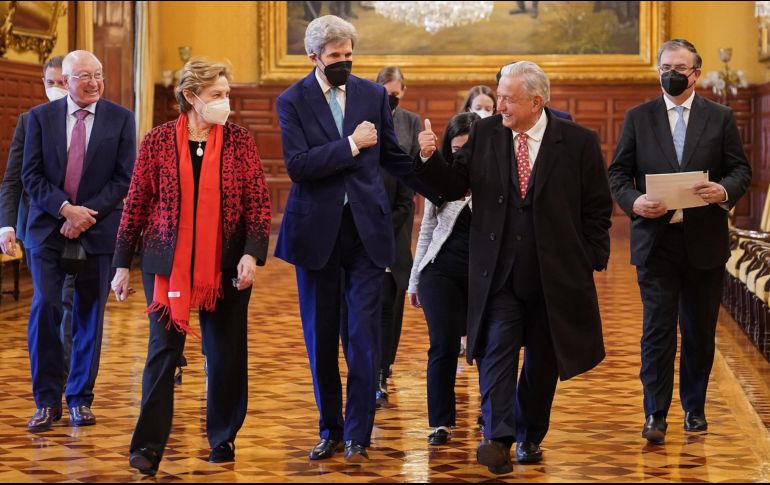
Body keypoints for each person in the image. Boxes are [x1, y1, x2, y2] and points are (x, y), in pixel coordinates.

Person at [416, 60, 612, 474]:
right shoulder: (486, 134)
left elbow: (596, 208)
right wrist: (430, 158)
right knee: (496, 353)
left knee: (543, 363)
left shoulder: (578, 142)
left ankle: (529, 435)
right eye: (499, 95)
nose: (499, 105)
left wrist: (592, 256)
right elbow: (453, 186)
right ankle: (498, 437)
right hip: (498, 274)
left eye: (508, 98)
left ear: (536, 101)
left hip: (553, 276)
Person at [275, 15, 436, 463]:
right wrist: (349, 145)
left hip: (367, 233)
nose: (344, 62)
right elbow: (299, 166)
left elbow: (390, 156)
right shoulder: (292, 100)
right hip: (316, 236)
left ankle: (358, 435)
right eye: (335, 57)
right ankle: (330, 429)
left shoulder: (370, 94)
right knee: (321, 338)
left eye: (349, 54)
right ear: (314, 58)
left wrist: (430, 173)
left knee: (364, 338)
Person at [111, 58, 271, 475]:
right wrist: (121, 264)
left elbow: (258, 204)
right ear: (190, 97)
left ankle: (223, 437)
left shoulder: (239, 141)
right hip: (166, 262)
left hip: (228, 263)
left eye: (227, 94)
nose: (225, 103)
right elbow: (137, 204)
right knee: (162, 353)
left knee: (225, 354)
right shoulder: (157, 141)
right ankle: (147, 445)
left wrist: (251, 254)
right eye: (217, 95)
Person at [608, 39, 751, 445]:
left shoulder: (720, 117)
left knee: (699, 331)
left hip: (704, 241)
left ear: (696, 73)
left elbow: (740, 169)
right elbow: (617, 174)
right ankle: (654, 412)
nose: (671, 73)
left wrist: (723, 191)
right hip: (656, 241)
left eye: (680, 67)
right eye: (665, 66)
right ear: (658, 71)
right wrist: (635, 202)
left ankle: (695, 408)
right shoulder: (638, 117)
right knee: (656, 330)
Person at [21, 50, 136, 433]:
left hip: (99, 227)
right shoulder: (38, 119)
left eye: (99, 74)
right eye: (85, 76)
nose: (94, 82)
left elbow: (123, 179)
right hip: (48, 229)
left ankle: (80, 399)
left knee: (89, 315)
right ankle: (46, 401)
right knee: (47, 307)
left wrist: (86, 214)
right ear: (65, 81)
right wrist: (65, 210)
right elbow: (31, 175)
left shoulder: (121, 119)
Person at [0, 56, 77, 379]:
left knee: (71, 303)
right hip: (39, 229)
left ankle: (68, 375)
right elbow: (13, 178)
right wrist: (7, 224)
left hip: (81, 229)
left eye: (62, 82)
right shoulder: (30, 121)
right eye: (50, 83)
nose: (56, 88)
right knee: (48, 303)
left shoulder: (94, 121)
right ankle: (48, 378)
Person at [408, 112, 479, 445]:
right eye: (456, 149)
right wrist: (414, 280)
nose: (462, 156)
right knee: (443, 344)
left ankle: (490, 413)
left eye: (468, 148)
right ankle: (441, 422)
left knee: (488, 346)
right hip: (439, 272)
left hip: (483, 275)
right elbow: (426, 230)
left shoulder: (493, 178)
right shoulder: (442, 179)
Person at [373, 65, 421, 405]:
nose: (393, 98)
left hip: (398, 221)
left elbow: (413, 168)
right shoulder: (362, 123)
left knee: (392, 296)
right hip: (364, 222)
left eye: (396, 92)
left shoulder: (411, 121)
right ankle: (372, 368)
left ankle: (383, 368)